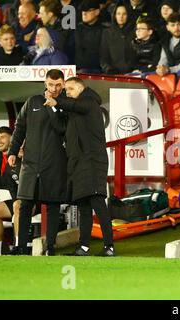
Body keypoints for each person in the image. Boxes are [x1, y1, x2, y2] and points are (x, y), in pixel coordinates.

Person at [43, 77, 114, 256]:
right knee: (83, 205)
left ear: (81, 89)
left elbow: (75, 106)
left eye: (71, 89)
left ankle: (109, 247)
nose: (68, 93)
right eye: (66, 90)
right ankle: (84, 247)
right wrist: (52, 106)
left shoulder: (89, 101)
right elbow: (60, 127)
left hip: (92, 160)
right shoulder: (73, 110)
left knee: (97, 201)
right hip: (77, 162)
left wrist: (57, 100)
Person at [8, 69, 68, 256]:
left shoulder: (67, 104)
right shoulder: (32, 101)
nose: (54, 88)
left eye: (58, 85)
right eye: (51, 84)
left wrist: (53, 106)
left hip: (55, 163)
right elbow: (20, 128)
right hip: (31, 163)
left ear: (63, 84)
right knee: (24, 204)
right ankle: (21, 246)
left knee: (52, 206)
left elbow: (62, 129)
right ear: (45, 83)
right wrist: (12, 151)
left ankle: (50, 247)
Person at [0, 127, 21, 255]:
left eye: (2, 137)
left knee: (18, 205)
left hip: (27, 199)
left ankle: (19, 248)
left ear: (12, 138)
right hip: (6, 200)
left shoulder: (21, 154)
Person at [100, 3, 135, 74]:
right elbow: (103, 57)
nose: (121, 17)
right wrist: (109, 70)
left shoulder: (135, 32)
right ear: (114, 15)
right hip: (113, 74)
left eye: (124, 14)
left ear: (128, 15)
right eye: (118, 14)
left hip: (133, 73)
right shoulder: (107, 33)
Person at [75, 0, 106, 73]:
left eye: (88, 10)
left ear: (97, 12)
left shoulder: (104, 31)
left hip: (99, 71)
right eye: (83, 10)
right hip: (78, 70)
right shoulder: (77, 29)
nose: (84, 13)